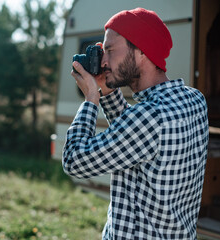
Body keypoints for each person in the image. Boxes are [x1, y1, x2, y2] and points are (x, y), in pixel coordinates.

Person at [62, 7, 209, 240]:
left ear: (141, 51)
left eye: (110, 50)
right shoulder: (193, 100)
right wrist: (108, 91)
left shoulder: (149, 117)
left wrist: (91, 98)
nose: (104, 61)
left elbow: (74, 160)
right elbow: (136, 139)